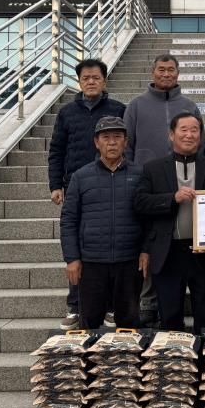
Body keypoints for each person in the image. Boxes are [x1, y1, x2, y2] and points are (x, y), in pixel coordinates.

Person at [124, 53, 203, 325]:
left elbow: (200, 144)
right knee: (150, 242)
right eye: (161, 69)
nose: (166, 74)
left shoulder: (189, 105)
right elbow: (127, 146)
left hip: (184, 181)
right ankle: (148, 301)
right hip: (149, 183)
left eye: (171, 70)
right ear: (152, 72)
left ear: (178, 73)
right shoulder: (136, 106)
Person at [47, 58, 126, 330]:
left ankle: (111, 306)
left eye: (96, 77)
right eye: (85, 78)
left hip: (113, 183)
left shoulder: (118, 109)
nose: (91, 82)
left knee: (111, 243)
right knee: (77, 247)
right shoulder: (67, 113)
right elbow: (57, 150)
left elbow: (128, 146)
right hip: (76, 187)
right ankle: (75, 305)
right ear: (79, 82)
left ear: (105, 81)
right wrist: (55, 185)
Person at [133, 112, 205, 334]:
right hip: (168, 252)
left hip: (204, 253)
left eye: (195, 130)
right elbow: (140, 203)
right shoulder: (153, 168)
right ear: (171, 134)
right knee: (170, 315)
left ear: (201, 136)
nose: (189, 135)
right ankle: (174, 354)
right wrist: (171, 198)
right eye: (183, 130)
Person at [59, 116, 145, 330]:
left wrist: (146, 250)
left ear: (126, 142)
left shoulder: (140, 174)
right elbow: (68, 220)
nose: (112, 142)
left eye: (117, 137)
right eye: (106, 137)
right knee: (90, 322)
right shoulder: (81, 177)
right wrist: (72, 258)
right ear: (96, 142)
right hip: (92, 261)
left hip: (129, 260)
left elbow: (148, 218)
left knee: (129, 322)